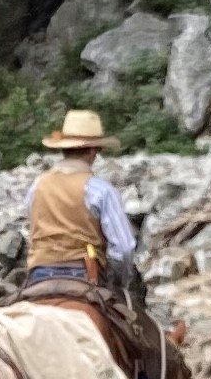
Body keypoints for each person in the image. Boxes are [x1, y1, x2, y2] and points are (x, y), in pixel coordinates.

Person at [27, 109, 141, 296]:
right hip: (85, 273)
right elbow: (124, 248)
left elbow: (33, 226)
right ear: (93, 151)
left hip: (39, 272)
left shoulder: (37, 185)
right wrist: (121, 282)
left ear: (63, 149)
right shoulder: (101, 190)